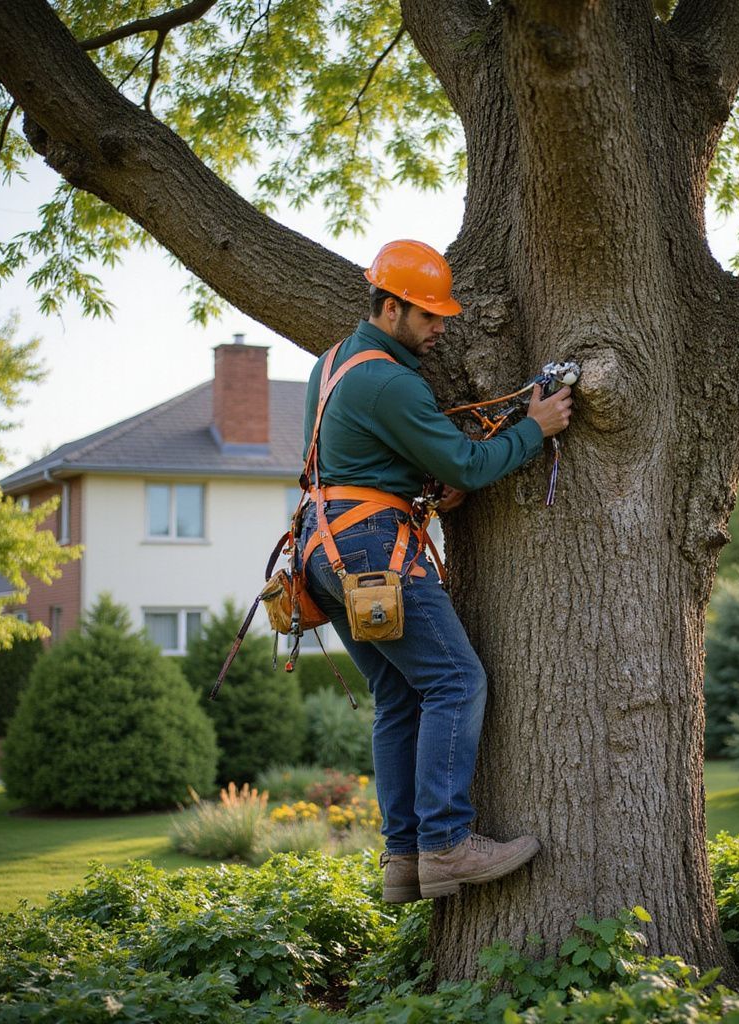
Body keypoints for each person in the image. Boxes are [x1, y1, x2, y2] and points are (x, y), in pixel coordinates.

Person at [297, 239, 573, 901]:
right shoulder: (389, 381)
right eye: (427, 315)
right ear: (389, 306)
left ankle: (402, 858)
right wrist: (535, 427)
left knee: (398, 699)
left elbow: (366, 456)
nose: (440, 328)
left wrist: (423, 478)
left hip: (323, 550)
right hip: (369, 547)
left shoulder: (334, 363)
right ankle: (446, 844)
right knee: (455, 679)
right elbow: (469, 466)